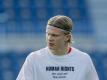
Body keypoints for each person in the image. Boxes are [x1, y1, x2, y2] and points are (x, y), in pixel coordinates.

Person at [16, 15, 99, 80]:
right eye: (48, 34)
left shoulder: (83, 59)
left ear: (67, 37)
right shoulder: (33, 58)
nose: (49, 38)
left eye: (54, 35)